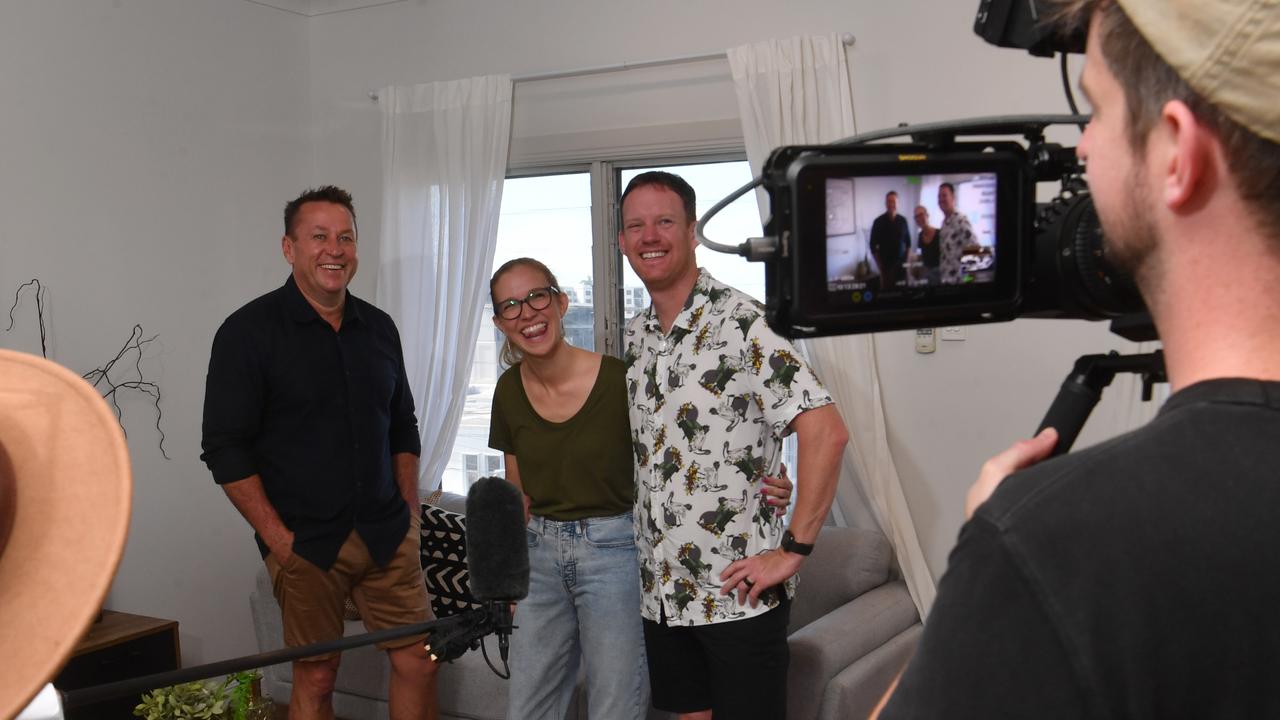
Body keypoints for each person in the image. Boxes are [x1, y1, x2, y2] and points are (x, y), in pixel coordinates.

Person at [876, 0, 1280, 717]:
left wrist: (988, 562)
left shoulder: (1051, 548)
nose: (1082, 149)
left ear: (1175, 153)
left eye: (1094, 110)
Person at [486, 257, 794, 719]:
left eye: (536, 296)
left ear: (561, 301)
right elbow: (518, 494)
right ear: (499, 323)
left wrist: (768, 480)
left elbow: (685, 451)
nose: (527, 312)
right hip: (541, 560)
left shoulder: (620, 379)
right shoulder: (507, 391)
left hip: (615, 553)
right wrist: (510, 579)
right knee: (526, 709)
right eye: (510, 305)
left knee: (616, 707)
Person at [201, 186, 438, 720]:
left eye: (346, 237)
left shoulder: (379, 328)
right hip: (304, 541)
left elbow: (402, 424)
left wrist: (409, 514)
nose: (335, 249)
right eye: (319, 237)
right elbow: (224, 449)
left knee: (420, 661)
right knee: (316, 675)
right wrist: (280, 542)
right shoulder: (247, 333)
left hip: (385, 532)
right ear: (289, 248)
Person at [619, 171, 849, 719]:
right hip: (663, 595)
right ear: (622, 242)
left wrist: (792, 550)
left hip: (736, 597)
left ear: (693, 231)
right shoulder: (633, 337)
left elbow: (826, 430)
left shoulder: (746, 322)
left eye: (665, 221)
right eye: (636, 225)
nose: (650, 235)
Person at [870, 190, 911, 290]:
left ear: (898, 203)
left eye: (894, 201)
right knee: (888, 296)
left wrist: (907, 263)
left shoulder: (903, 220)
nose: (891, 204)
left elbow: (908, 243)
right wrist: (880, 267)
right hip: (886, 268)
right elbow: (872, 246)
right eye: (889, 201)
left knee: (904, 294)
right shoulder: (878, 222)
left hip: (902, 268)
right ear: (885, 203)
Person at [936, 182, 975, 285]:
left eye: (944, 195)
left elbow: (975, 252)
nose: (941, 199)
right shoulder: (944, 223)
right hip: (946, 281)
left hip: (959, 284)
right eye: (939, 196)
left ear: (953, 197)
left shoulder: (961, 220)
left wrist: (969, 281)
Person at [913, 205, 941, 285]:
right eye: (916, 216)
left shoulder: (939, 234)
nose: (919, 218)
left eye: (921, 215)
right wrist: (916, 268)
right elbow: (921, 255)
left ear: (927, 215)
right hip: (926, 273)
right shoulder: (920, 235)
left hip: (939, 273)